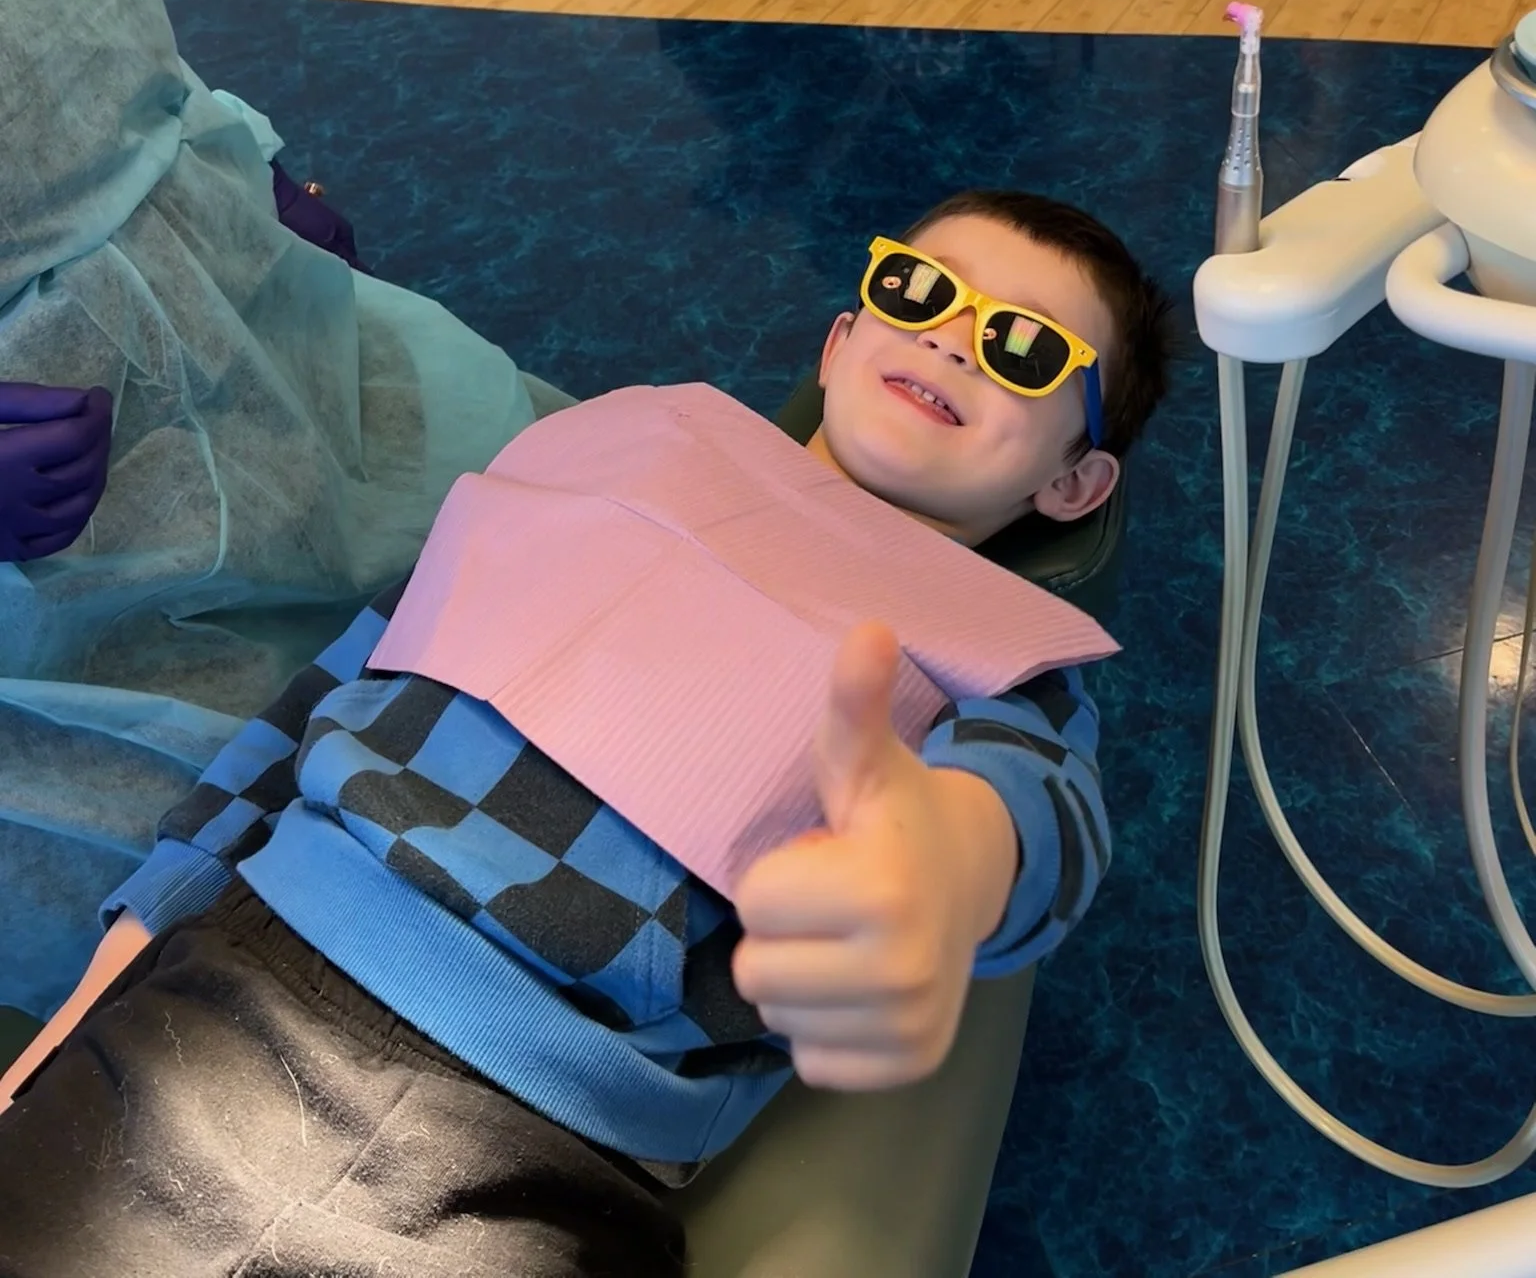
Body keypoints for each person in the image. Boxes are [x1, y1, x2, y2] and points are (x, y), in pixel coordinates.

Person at [0, 190, 1174, 1278]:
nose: (953, 339)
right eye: (919, 292)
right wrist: (104, 984)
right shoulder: (623, 451)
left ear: (1074, 487)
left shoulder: (1004, 660)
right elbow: (330, 688)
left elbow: (1040, 814)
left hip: (527, 1129)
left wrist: (949, 865)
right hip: (236, 975)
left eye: (1024, 347)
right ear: (838, 343)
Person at [0, 0, 540, 1017]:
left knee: (504, 501)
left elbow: (70, 16)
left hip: (239, 322)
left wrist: (222, 152)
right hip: (54, 596)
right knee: (224, 835)